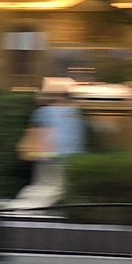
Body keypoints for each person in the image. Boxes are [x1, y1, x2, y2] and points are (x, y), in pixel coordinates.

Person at [10, 79, 87, 209]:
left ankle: (22, 211)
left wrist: (26, 149)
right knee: (60, 189)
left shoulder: (44, 112)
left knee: (45, 188)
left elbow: (39, 133)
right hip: (73, 158)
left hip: (50, 157)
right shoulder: (75, 112)